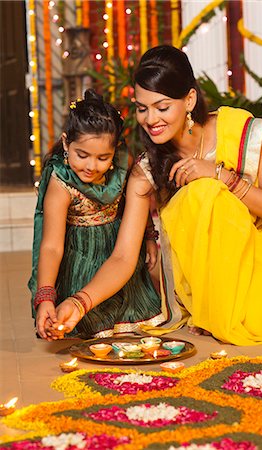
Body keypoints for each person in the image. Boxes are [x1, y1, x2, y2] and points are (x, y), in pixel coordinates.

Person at [49, 46, 262, 346]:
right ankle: (215, 306)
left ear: (189, 99)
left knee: (206, 190)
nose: (151, 119)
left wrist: (219, 175)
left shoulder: (236, 129)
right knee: (200, 194)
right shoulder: (146, 171)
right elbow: (124, 256)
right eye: (142, 108)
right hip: (204, 284)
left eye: (162, 107)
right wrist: (79, 302)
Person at [29, 88, 165, 340]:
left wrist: (148, 236)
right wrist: (45, 296)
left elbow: (131, 202)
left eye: (103, 157)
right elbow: (51, 247)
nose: (91, 166)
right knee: (90, 326)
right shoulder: (61, 182)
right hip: (81, 260)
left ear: (116, 151)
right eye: (82, 155)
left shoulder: (123, 167)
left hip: (119, 253)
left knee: (135, 323)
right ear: (66, 142)